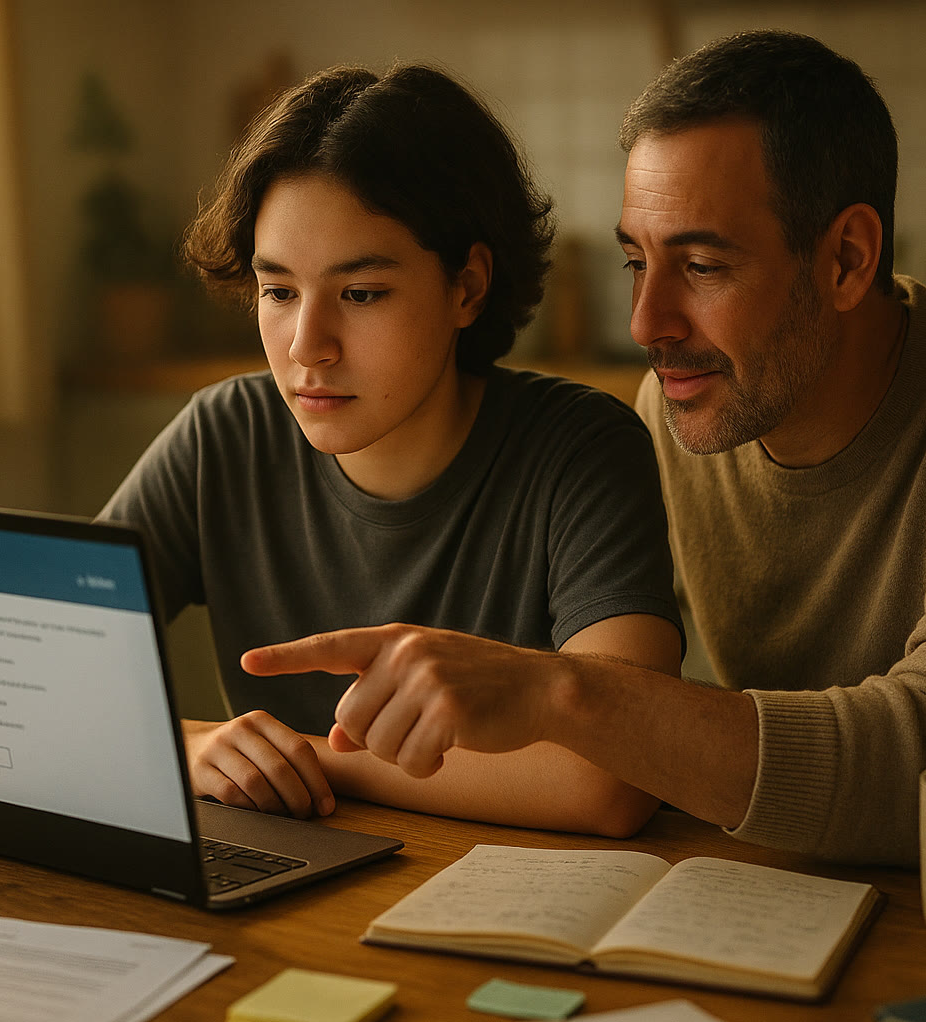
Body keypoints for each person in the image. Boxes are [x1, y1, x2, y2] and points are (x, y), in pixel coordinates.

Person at [243, 31, 926, 877]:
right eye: (635, 260)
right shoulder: (679, 407)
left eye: (701, 267)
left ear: (848, 261)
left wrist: (563, 693)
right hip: (794, 898)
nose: (647, 323)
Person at [100, 64, 684, 837]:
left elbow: (614, 777)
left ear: (467, 288)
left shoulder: (581, 450)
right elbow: (39, 665)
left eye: (361, 294)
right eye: (278, 291)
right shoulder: (224, 435)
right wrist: (194, 748)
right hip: (282, 894)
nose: (308, 346)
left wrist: (302, 761)